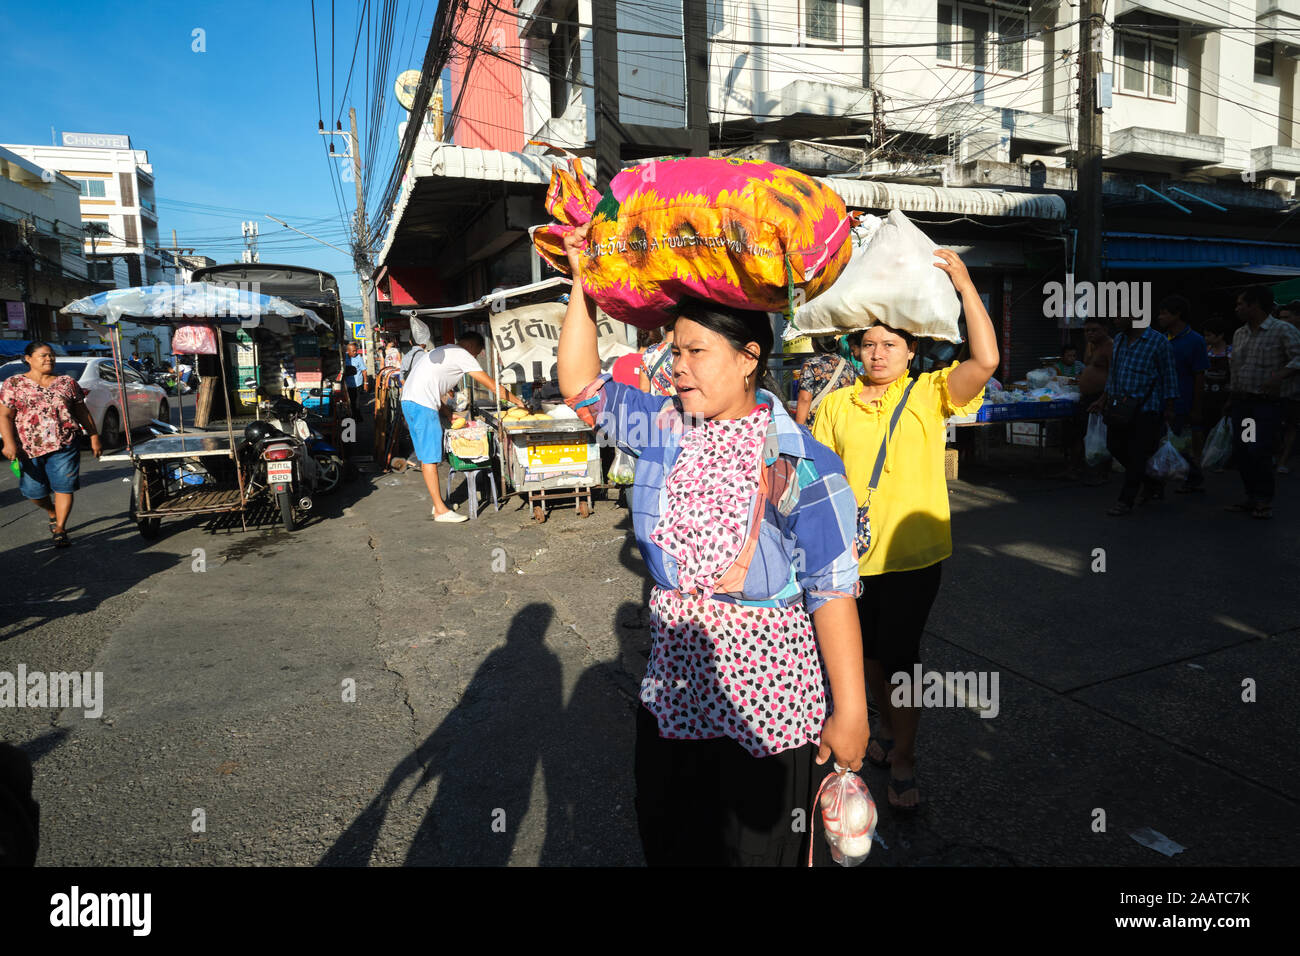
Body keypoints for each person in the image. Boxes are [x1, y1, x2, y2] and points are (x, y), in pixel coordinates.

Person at [557, 223, 868, 866]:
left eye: (696, 352)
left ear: (750, 356)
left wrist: (852, 712)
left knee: (758, 852)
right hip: (676, 684)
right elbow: (581, 388)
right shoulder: (664, 426)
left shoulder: (801, 461)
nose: (678, 368)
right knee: (673, 842)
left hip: (770, 700)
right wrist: (584, 282)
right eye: (675, 353)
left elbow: (832, 591)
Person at [812, 249, 998, 812]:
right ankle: (882, 730)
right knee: (862, 655)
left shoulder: (929, 393)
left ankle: (905, 754)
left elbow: (985, 361)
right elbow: (819, 478)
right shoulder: (837, 403)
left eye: (889, 344)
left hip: (912, 558)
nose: (877, 353)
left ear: (910, 350)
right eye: (868, 344)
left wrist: (966, 284)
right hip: (849, 558)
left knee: (902, 659)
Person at [403, 331, 526, 523]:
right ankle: (440, 510)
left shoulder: (446, 350)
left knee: (427, 457)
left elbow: (430, 386)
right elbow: (492, 386)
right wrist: (518, 402)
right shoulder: (463, 355)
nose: (476, 357)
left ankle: (438, 504)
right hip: (422, 406)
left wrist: (447, 413)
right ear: (470, 346)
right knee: (430, 458)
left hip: (410, 402)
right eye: (477, 352)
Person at [0, 341, 103, 548]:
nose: (49, 359)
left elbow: (81, 411)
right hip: (28, 448)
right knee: (34, 492)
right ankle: (51, 511)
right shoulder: (14, 384)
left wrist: (93, 436)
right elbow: (5, 416)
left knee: (64, 487)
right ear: (28, 359)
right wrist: (8, 443)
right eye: (43, 355)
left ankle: (60, 529)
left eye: (52, 355)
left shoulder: (67, 383)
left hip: (65, 443)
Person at [1089, 315, 1178, 515]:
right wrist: (1103, 399)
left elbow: (1170, 376)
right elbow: (1114, 373)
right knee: (1114, 446)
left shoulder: (1158, 342)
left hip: (1147, 409)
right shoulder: (1119, 339)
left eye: (1119, 313)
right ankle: (1151, 479)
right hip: (1119, 408)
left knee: (1138, 453)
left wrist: (1170, 408)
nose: (1114, 319)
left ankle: (1125, 500)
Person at [1225, 286, 1300, 518]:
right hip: (1243, 402)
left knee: (1259, 449)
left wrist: (1280, 375)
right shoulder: (1240, 333)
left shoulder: (1282, 330)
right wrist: (1230, 398)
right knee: (1244, 450)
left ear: (1254, 305)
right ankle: (1252, 496)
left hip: (1267, 404)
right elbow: (1236, 368)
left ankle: (1263, 500)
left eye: (1240, 304)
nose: (1237, 308)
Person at [1156, 295, 1209, 493]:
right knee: (1161, 441)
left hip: (1182, 400)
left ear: (1177, 315)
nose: (1159, 317)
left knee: (1176, 442)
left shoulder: (1195, 341)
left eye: (1164, 313)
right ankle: (1158, 481)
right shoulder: (1161, 339)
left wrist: (1196, 408)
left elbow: (1199, 376)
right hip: (1159, 399)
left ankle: (1191, 476)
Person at [1068, 319, 1114, 484]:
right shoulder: (1091, 346)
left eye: (1094, 330)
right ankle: (1077, 469)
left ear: (1105, 329)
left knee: (1101, 435)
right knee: (1080, 433)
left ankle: (1101, 474)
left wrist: (1103, 399)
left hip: (1100, 398)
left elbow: (1114, 376)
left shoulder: (1110, 346)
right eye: (1086, 330)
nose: (1089, 333)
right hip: (1087, 397)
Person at [793, 334, 858, 427]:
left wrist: (799, 428)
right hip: (842, 422)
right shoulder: (848, 365)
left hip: (817, 424)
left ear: (815, 344)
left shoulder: (811, 365)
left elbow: (804, 399)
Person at [1275, 302, 1300, 474]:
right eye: (1280, 317)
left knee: (1292, 425)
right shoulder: (1275, 335)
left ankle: (1282, 461)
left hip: (1295, 390)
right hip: (1277, 390)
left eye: (1287, 317)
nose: (1283, 321)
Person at [1202, 316, 1233, 434]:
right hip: (1206, 397)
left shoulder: (1231, 352)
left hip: (1224, 398)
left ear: (1220, 335)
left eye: (1209, 335)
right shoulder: (1205, 351)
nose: (1206, 338)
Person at [638, 322, 675, 396]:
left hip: (659, 406)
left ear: (664, 328)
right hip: (683, 405)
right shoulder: (688, 351)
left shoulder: (649, 352)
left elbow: (644, 392)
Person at [340, 342, 368, 417]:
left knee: (356, 402)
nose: (355, 352)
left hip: (357, 384)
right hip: (347, 384)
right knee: (349, 402)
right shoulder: (344, 358)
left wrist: (366, 384)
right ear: (348, 351)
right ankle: (351, 415)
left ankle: (357, 417)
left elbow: (364, 371)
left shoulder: (358, 358)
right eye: (353, 351)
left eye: (356, 350)